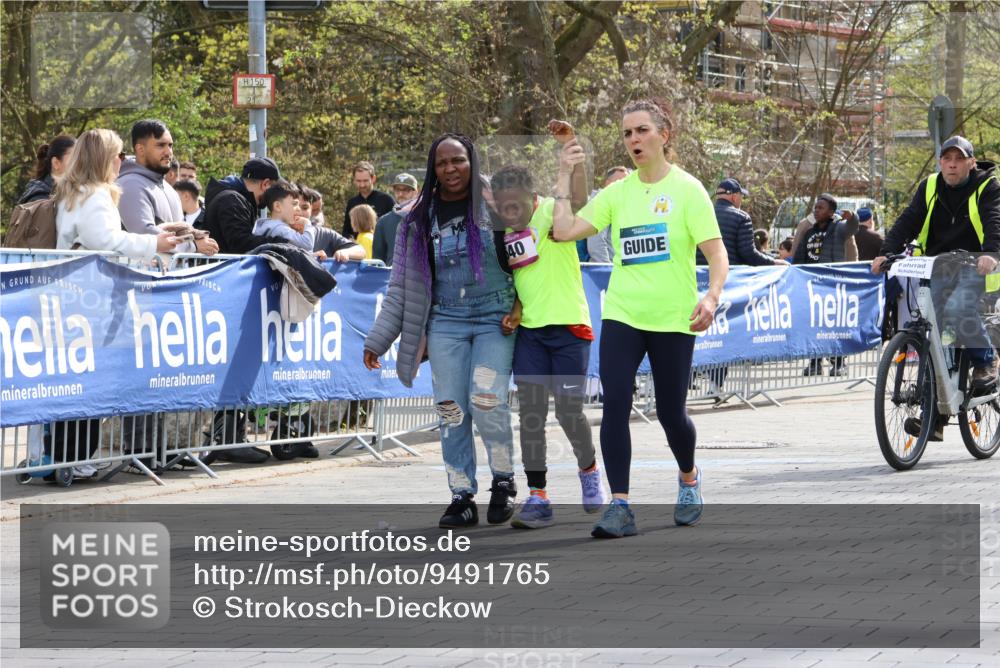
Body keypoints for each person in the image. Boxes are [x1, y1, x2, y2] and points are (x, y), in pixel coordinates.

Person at [551, 98, 728, 538]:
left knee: (671, 413)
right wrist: (564, 175)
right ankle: (621, 505)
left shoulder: (688, 190)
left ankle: (689, 477)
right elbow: (564, 231)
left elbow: (716, 253)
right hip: (623, 314)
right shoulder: (617, 193)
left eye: (642, 130)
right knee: (615, 403)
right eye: (627, 133)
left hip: (672, 318)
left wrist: (711, 297)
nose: (634, 139)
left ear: (664, 135)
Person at [363, 134, 518, 529]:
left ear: (472, 162)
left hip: (495, 318)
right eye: (442, 163)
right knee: (450, 408)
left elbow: (529, 264)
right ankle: (461, 495)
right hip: (445, 321)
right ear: (433, 170)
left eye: (458, 160)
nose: (451, 169)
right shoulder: (415, 222)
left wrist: (520, 307)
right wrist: (378, 339)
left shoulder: (499, 206)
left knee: (486, 400)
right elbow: (400, 287)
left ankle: (503, 481)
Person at [491, 164, 607, 529]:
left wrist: (570, 162)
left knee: (569, 412)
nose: (511, 212)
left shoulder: (554, 213)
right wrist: (516, 309)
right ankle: (538, 496)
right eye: (504, 206)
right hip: (531, 334)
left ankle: (589, 469)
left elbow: (580, 197)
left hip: (570, 328)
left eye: (516, 204)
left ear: (533, 196)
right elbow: (523, 275)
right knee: (531, 415)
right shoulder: (503, 231)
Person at [872, 135, 1000, 439]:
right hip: (938, 264)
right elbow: (908, 220)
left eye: (959, 159)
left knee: (958, 309)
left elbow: (994, 220)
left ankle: (986, 362)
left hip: (976, 265)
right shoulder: (929, 186)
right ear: (940, 162)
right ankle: (936, 417)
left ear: (971, 162)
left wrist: (991, 253)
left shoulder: (987, 186)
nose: (952, 164)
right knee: (937, 335)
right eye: (947, 159)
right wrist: (886, 252)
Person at [54, 129, 180, 258]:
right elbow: (105, 240)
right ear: (106, 159)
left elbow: (93, 243)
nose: (122, 160)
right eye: (120, 155)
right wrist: (153, 243)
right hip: (87, 270)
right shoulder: (93, 195)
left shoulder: (76, 191)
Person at [117, 119, 218, 256]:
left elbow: (182, 232)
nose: (168, 152)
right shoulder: (129, 185)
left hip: (169, 269)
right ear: (140, 149)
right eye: (160, 145)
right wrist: (193, 246)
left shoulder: (169, 188)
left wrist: (195, 239)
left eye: (170, 145)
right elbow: (144, 235)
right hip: (137, 269)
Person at [793, 193, 859, 377]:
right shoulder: (809, 232)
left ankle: (839, 363)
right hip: (812, 287)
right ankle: (815, 362)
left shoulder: (839, 228)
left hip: (832, 287)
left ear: (831, 212)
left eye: (821, 208)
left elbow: (853, 227)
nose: (816, 210)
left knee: (833, 326)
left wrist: (852, 217)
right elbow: (800, 258)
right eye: (815, 207)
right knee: (814, 325)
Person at [201, 156, 284, 256]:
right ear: (265, 184)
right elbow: (241, 243)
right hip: (226, 265)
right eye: (274, 189)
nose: (274, 196)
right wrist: (283, 242)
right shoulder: (232, 200)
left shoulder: (234, 199)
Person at [700, 178, 786, 267]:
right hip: (727, 273)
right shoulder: (742, 217)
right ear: (734, 197)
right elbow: (748, 254)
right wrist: (774, 262)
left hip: (698, 273)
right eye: (741, 196)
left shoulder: (700, 215)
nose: (742, 199)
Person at [252, 180, 316, 252]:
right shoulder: (280, 229)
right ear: (277, 206)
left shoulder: (266, 225)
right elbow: (307, 244)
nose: (299, 209)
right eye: (294, 204)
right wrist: (307, 223)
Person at [372, 173, 420, 265]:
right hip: (391, 273)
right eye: (397, 190)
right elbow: (377, 260)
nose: (401, 194)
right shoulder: (383, 222)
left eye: (406, 190)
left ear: (415, 191)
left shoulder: (426, 217)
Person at [586, 166, 629, 262]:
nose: (624, 186)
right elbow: (595, 245)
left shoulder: (618, 203)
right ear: (607, 183)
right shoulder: (598, 202)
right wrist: (607, 267)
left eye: (627, 183)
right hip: (606, 268)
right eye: (619, 182)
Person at [341, 161, 395, 238]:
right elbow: (346, 232)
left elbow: (395, 227)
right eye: (358, 181)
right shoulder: (352, 203)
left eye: (365, 181)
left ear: (373, 178)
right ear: (354, 180)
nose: (362, 185)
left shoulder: (386, 200)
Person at [17, 134, 75, 204]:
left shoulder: (67, 194)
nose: (80, 164)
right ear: (56, 163)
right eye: (74, 159)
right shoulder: (40, 199)